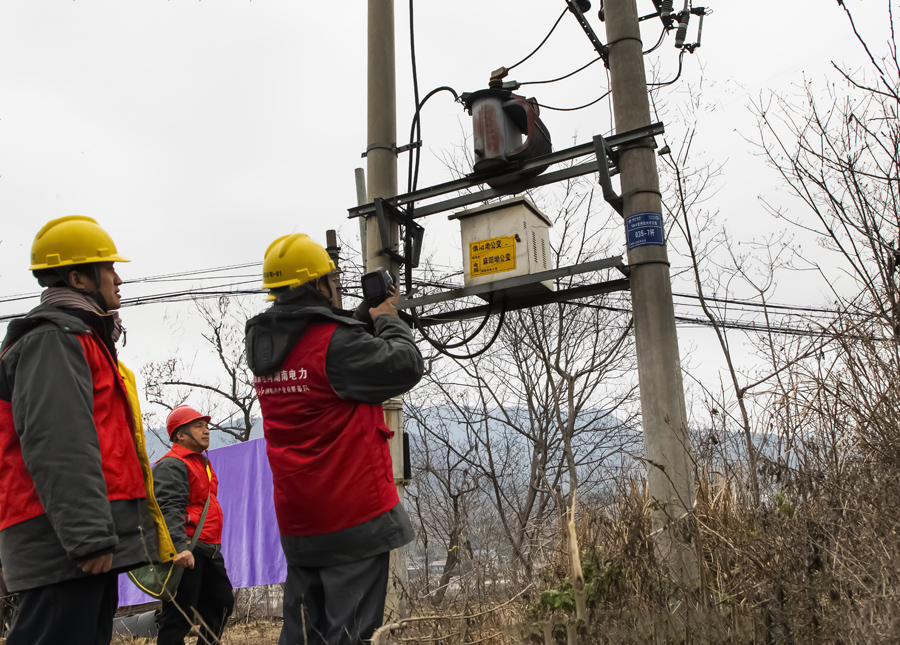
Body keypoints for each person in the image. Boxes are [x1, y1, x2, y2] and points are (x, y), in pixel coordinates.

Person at [0, 215, 176, 645]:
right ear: (78, 278)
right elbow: (58, 444)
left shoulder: (81, 337)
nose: (119, 278)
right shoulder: (53, 340)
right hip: (63, 543)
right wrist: (87, 538)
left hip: (73, 540)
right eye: (108, 267)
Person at [245, 233, 424, 645]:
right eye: (333, 281)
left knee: (304, 636)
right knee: (349, 635)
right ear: (319, 285)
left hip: (300, 520)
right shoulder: (336, 345)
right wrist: (387, 319)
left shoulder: (266, 345)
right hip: (352, 518)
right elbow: (405, 365)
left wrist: (361, 315)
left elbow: (322, 353)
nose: (338, 288)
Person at [152, 405, 234, 645]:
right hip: (188, 548)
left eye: (206, 426)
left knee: (222, 604)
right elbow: (169, 508)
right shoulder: (171, 464)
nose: (206, 431)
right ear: (180, 435)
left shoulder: (202, 464)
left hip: (209, 549)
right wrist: (179, 547)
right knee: (179, 615)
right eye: (198, 426)